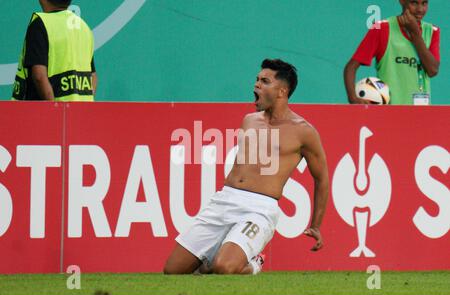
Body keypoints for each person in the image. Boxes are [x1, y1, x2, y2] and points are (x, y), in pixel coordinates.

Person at [164, 59, 329, 275]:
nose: (256, 85)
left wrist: (316, 224)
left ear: (282, 91)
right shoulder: (249, 120)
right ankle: (217, 257)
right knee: (173, 271)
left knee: (224, 268)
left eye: (264, 81)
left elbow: (322, 178)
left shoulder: (304, 131)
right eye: (257, 80)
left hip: (259, 209)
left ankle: (253, 263)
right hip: (224, 200)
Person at [344, 0, 440, 105]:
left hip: (421, 113)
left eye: (424, 3)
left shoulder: (432, 31)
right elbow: (350, 67)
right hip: (390, 112)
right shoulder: (381, 28)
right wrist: (353, 98)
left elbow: (433, 70)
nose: (420, 9)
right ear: (402, 2)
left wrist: (415, 33)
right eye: (414, 3)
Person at [12, 0, 97, 101]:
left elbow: (39, 76)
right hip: (80, 113)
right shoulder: (84, 27)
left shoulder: (40, 25)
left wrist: (54, 111)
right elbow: (93, 76)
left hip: (44, 113)